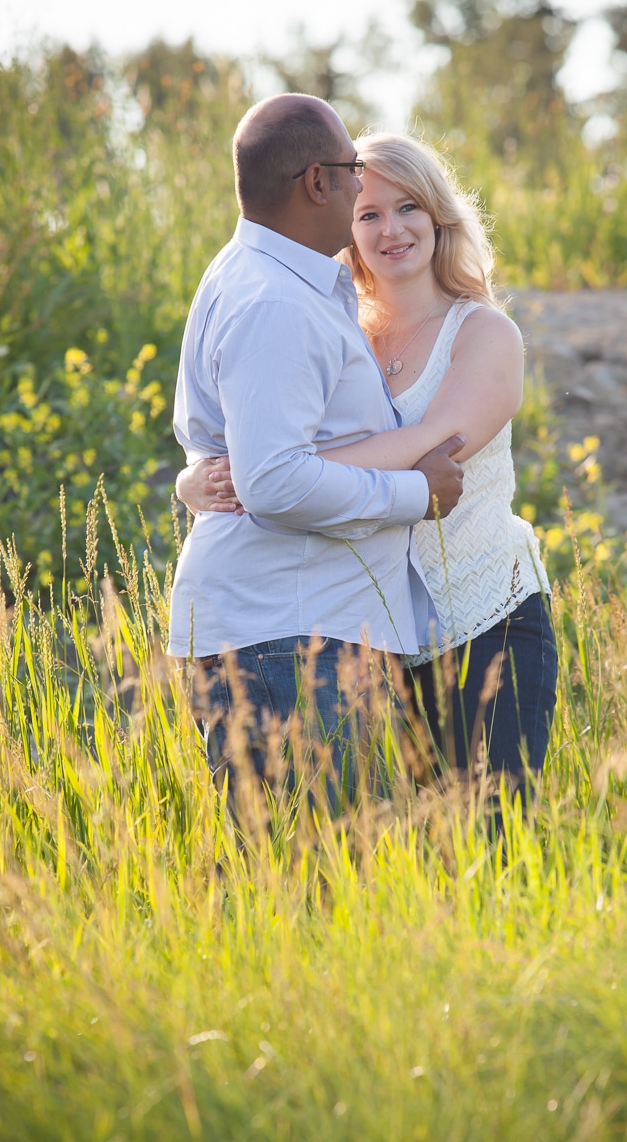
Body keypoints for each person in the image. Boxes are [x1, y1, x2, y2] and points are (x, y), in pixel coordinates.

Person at [180, 133, 557, 811]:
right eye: (371, 213)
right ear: (345, 224)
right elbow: (255, 425)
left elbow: (431, 446)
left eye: (409, 207)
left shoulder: (484, 333)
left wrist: (276, 469)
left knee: (494, 836)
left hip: (482, 617)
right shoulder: (336, 323)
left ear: (439, 214)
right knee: (410, 851)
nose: (392, 229)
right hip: (374, 634)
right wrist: (200, 478)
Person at [166, 98, 464, 791]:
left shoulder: (271, 281)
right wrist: (416, 493)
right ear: (317, 183)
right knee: (310, 876)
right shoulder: (275, 301)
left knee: (323, 877)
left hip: (300, 629)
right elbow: (273, 482)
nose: (362, 185)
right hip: (288, 637)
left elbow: (235, 452)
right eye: (354, 170)